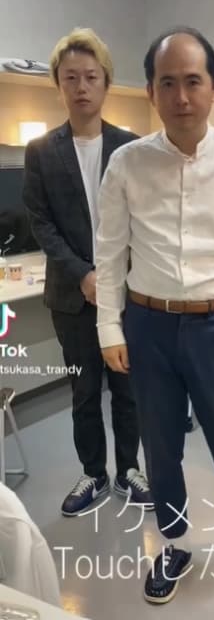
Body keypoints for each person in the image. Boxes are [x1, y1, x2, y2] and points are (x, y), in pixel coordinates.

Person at [95, 26, 214, 603]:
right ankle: (173, 543)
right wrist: (109, 326)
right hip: (147, 326)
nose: (181, 96)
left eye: (193, 81)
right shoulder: (126, 163)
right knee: (160, 446)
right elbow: (109, 253)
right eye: (167, 83)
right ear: (151, 91)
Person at [23, 28, 153, 516]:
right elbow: (41, 222)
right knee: (83, 390)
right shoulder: (41, 150)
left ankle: (129, 470)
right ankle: (93, 473)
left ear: (105, 83)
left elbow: (144, 220)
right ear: (58, 84)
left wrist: (114, 277)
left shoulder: (130, 147)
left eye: (90, 77)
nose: (81, 87)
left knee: (127, 388)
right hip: (70, 295)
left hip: (126, 292)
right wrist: (82, 273)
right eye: (71, 78)